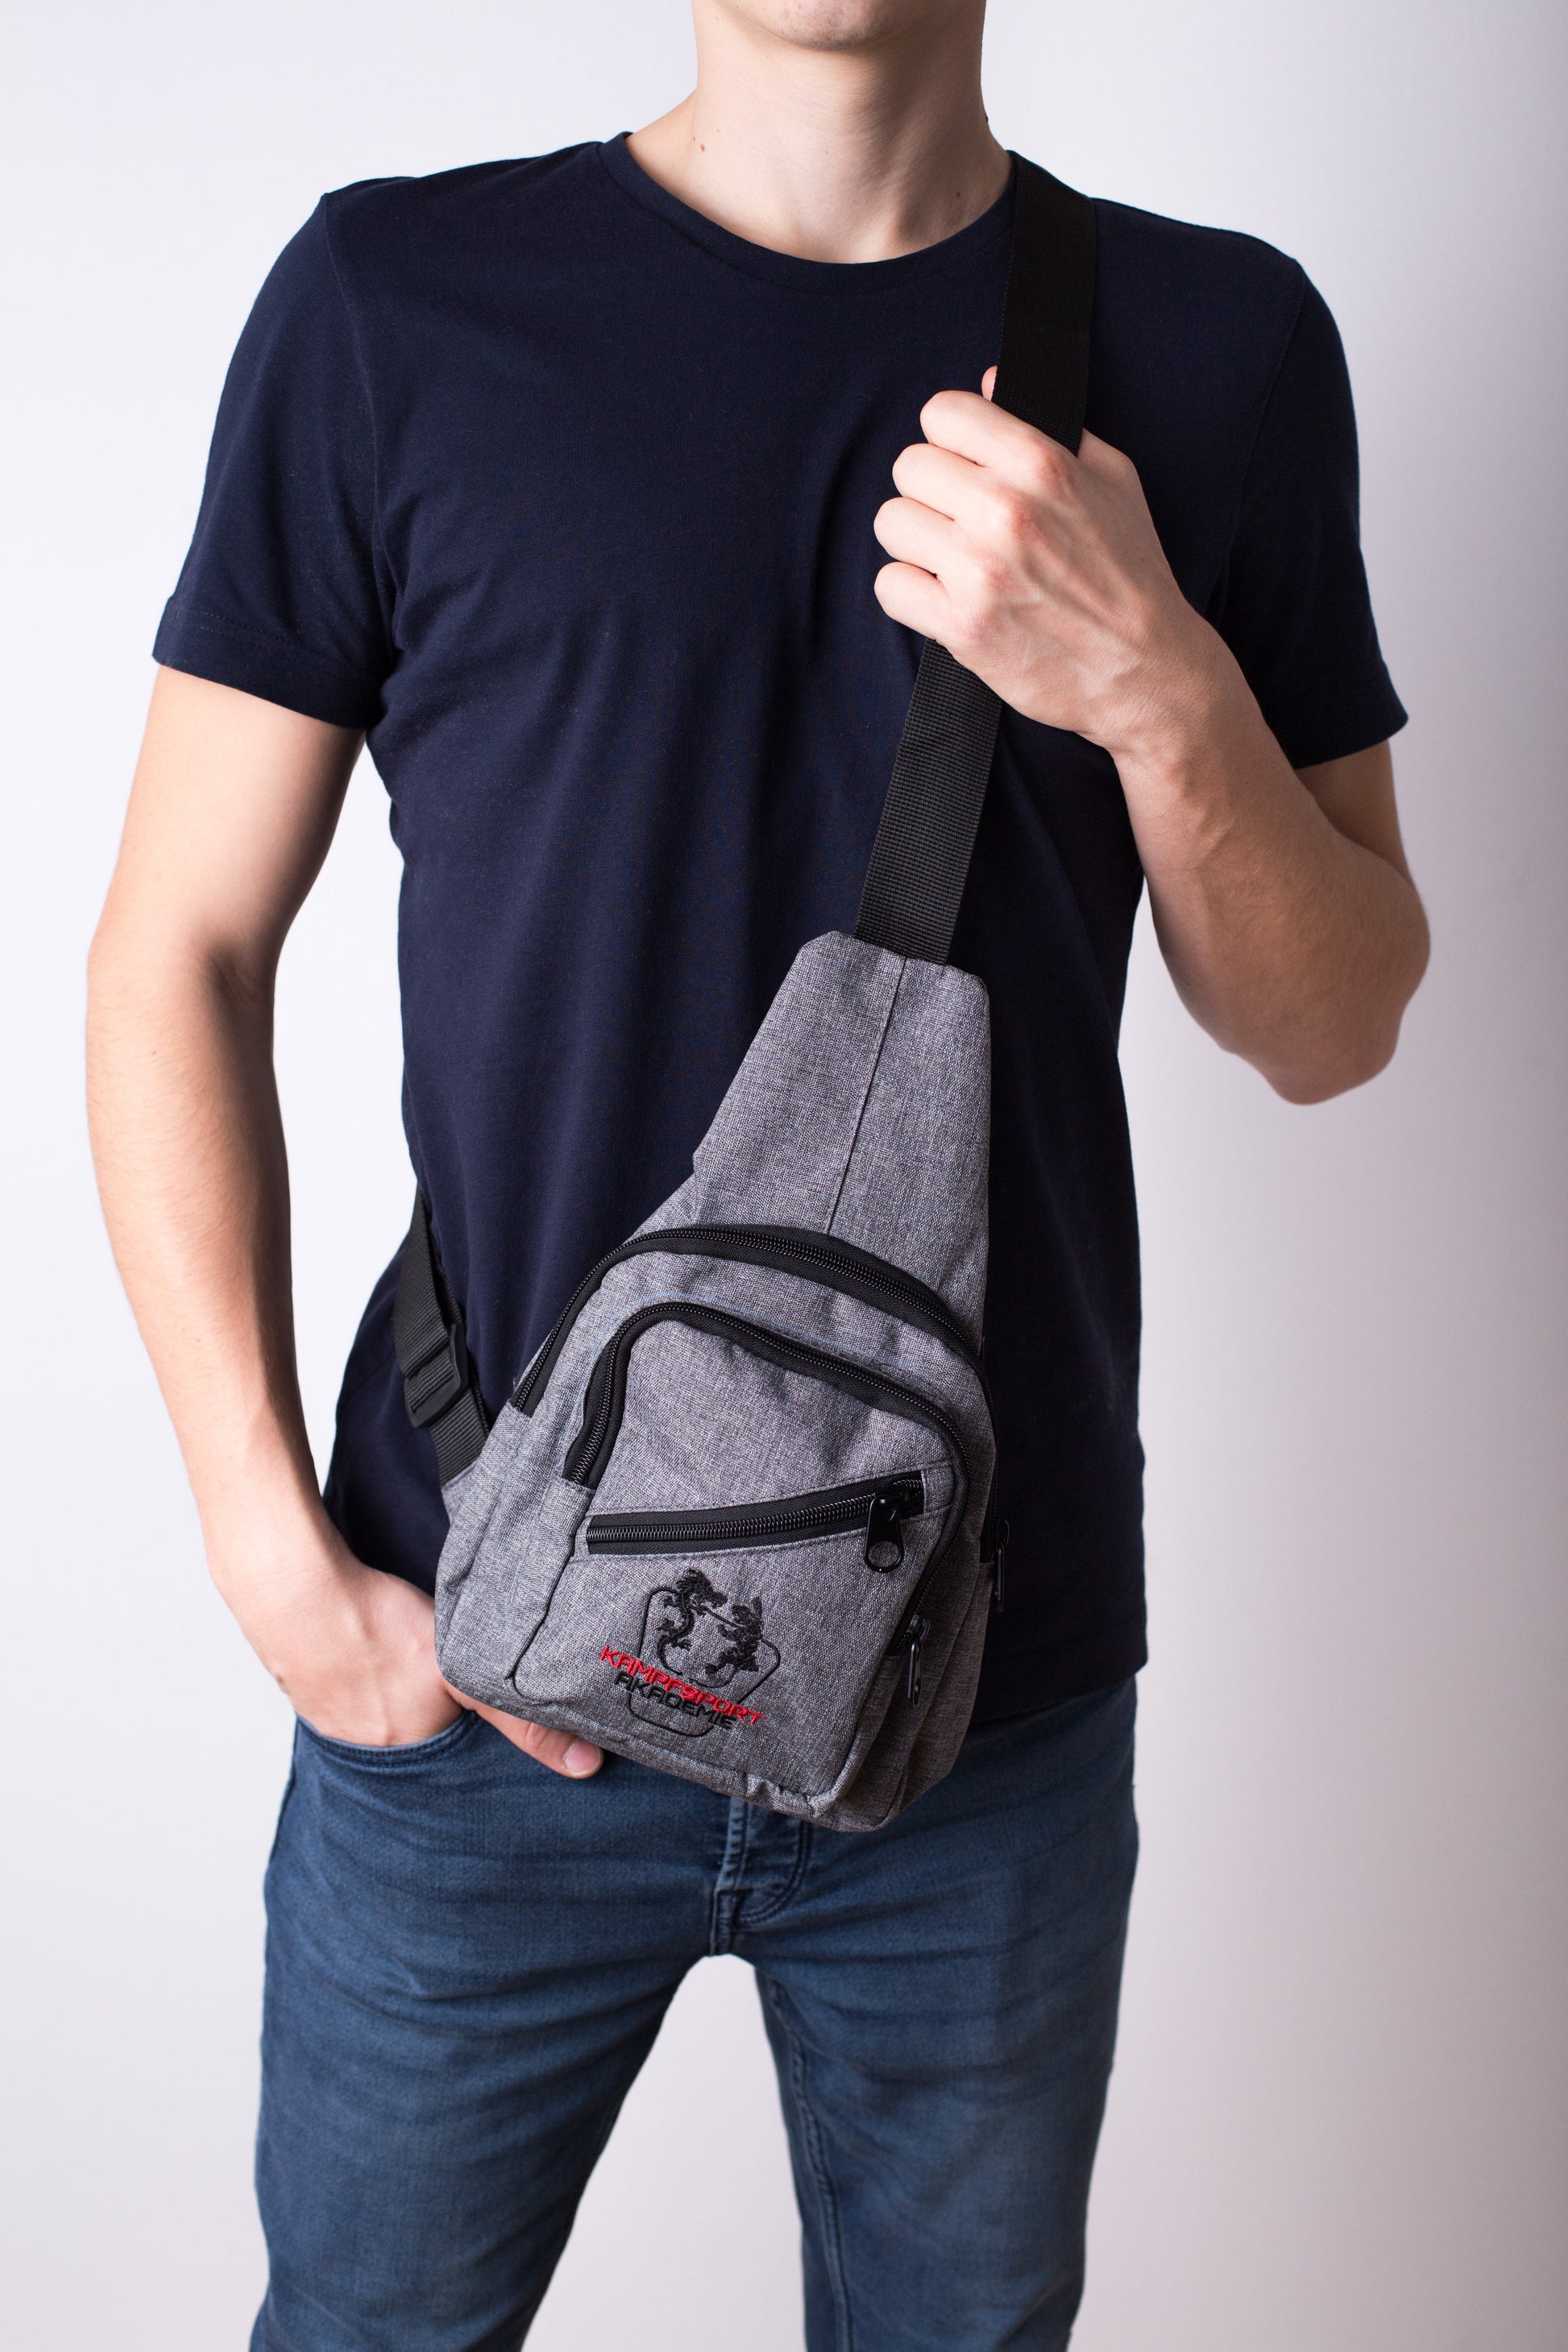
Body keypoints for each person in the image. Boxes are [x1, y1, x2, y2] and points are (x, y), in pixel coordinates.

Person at [86, 1, 1428, 2344]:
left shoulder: (1219, 345)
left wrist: (1158, 689)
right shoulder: (398, 305)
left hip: (984, 1697)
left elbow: (1333, 1020)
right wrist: (266, 1550)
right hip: (476, 1665)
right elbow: (172, 953)